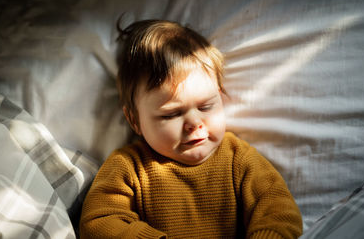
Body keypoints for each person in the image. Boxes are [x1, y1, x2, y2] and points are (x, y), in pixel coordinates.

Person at [79, 19, 303, 238]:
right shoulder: (129, 167)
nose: (195, 123)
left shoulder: (238, 158)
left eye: (206, 106)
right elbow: (98, 223)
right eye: (172, 114)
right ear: (134, 120)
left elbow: (279, 212)